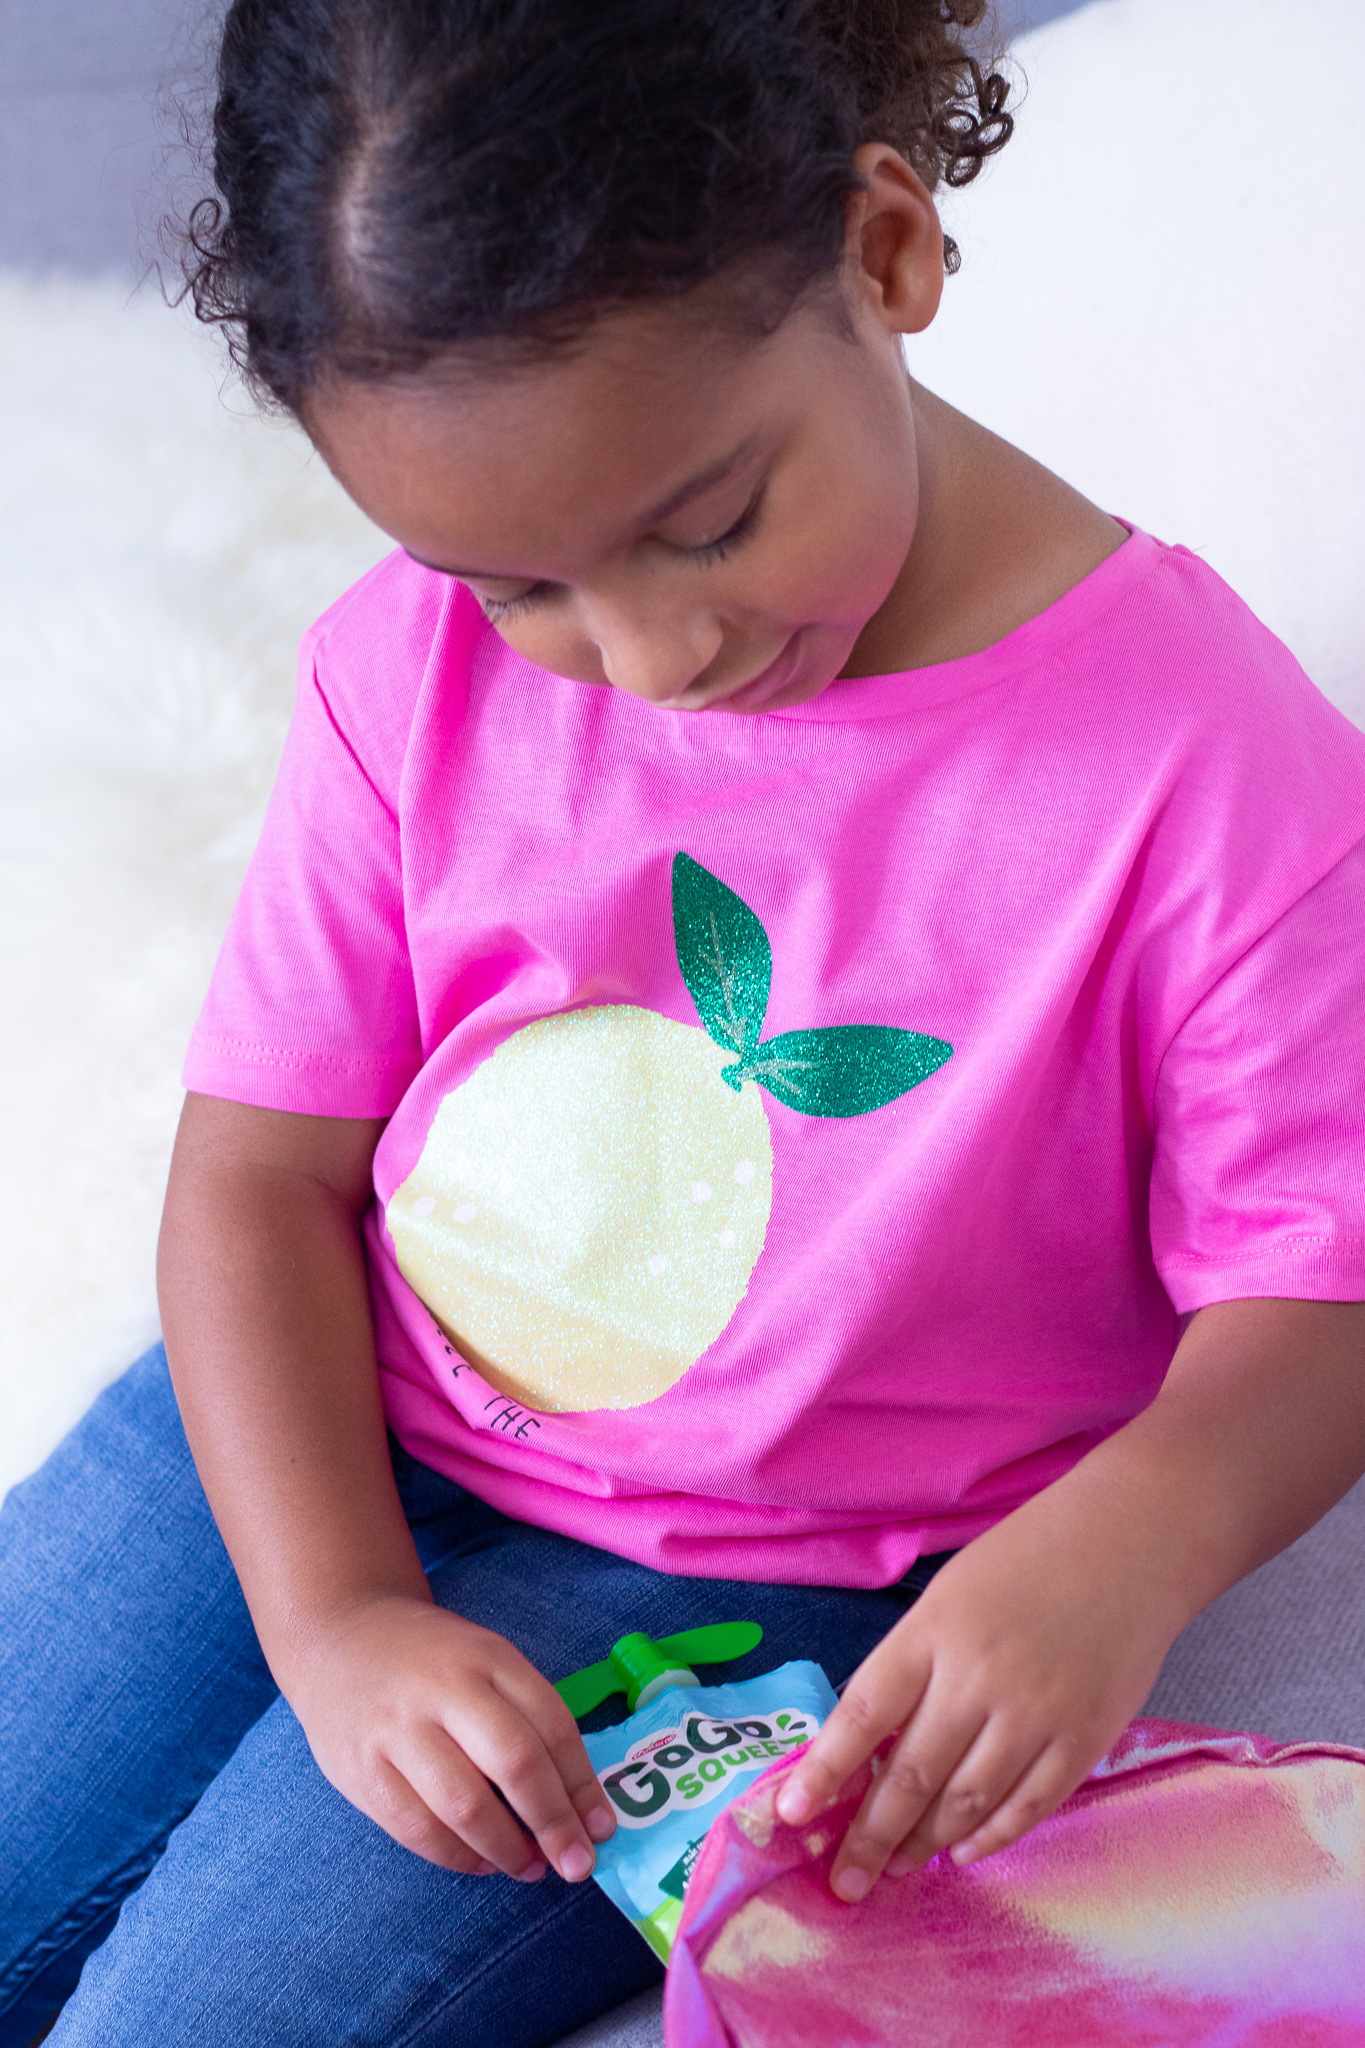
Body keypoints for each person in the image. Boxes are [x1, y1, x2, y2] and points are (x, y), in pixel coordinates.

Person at [3, 0, 1364, 2041]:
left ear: (882, 253)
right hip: (296, 1425)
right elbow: (260, 1175)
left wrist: (1125, 1546)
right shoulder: (403, 670)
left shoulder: (1208, 769)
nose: (646, 653)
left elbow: (1313, 1289)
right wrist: (338, 1612)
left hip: (732, 1587)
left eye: (705, 525)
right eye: (512, 584)